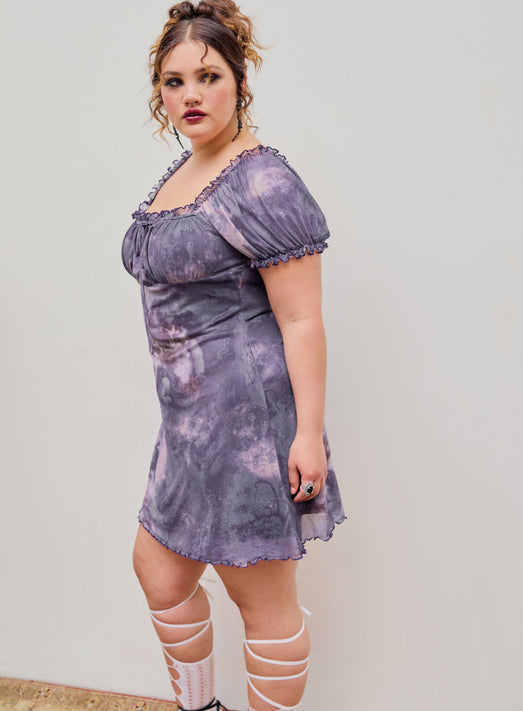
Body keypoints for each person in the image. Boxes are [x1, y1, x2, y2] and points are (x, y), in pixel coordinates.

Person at [121, 2, 346, 710]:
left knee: (263, 603)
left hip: (249, 422)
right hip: (187, 426)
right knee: (160, 572)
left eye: (208, 76)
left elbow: (302, 318)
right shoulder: (185, 171)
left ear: (239, 84)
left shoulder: (260, 179)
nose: (191, 94)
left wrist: (307, 433)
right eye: (174, 81)